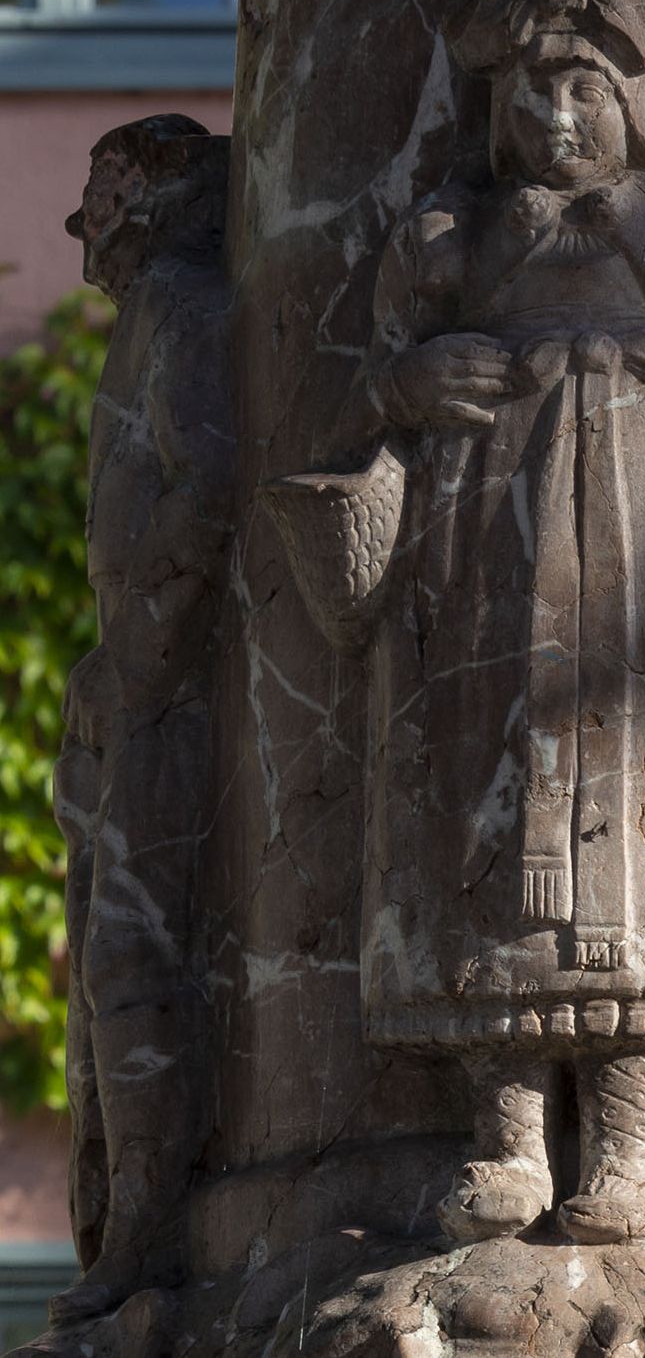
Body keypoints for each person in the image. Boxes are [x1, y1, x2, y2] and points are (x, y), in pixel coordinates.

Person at [288, 0, 645, 1246]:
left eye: (585, 88)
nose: (555, 118)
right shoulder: (446, 241)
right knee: (477, 827)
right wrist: (415, 384)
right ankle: (502, 1144)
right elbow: (383, 372)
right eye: (533, 92)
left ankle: (631, 1156)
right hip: (485, 559)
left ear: (634, 103)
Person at [53, 113, 236, 1320]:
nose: (84, 228)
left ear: (158, 198)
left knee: (134, 958)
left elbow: (205, 479)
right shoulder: (150, 316)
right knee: (113, 963)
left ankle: (151, 1233)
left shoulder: (178, 302)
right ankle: (132, 1229)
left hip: (169, 691)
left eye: (100, 197)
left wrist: (152, 654)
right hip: (133, 689)